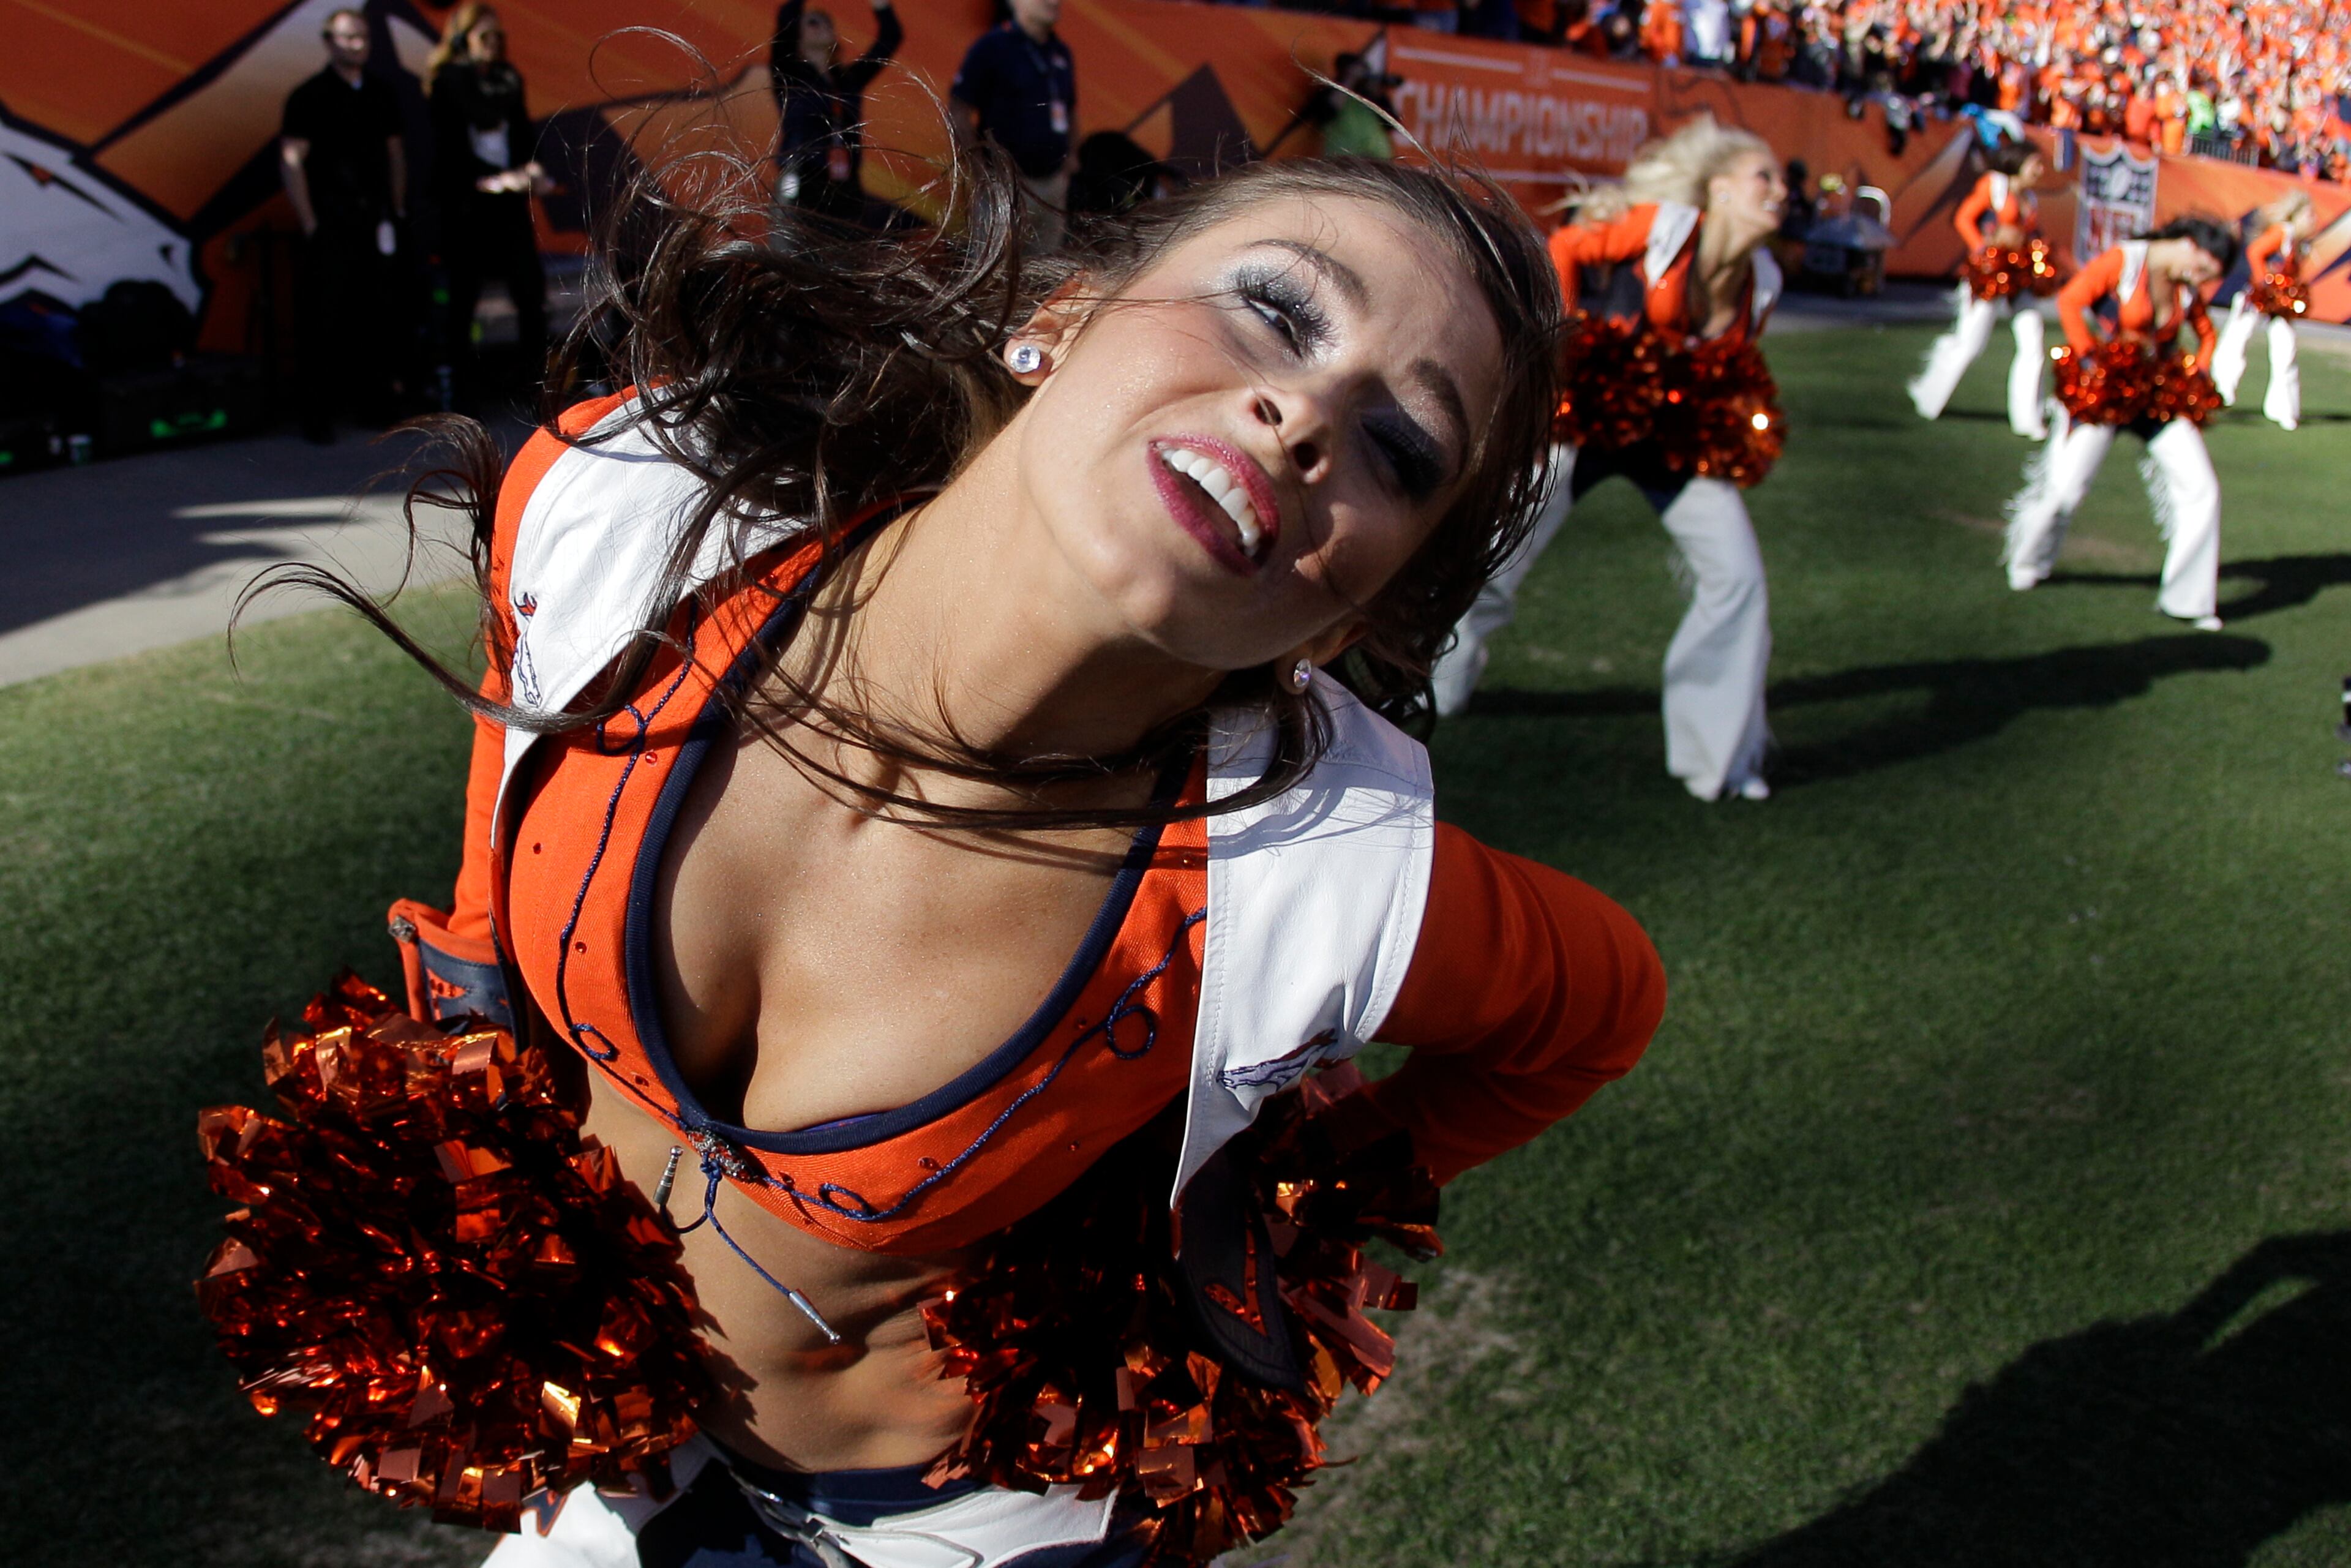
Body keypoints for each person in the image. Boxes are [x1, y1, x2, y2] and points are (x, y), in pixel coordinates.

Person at [302, 154, 1663, 1565]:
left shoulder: (1328, 871)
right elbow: (496, 833)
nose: (1308, 412)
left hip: (966, 1523)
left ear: (1349, 613)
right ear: (1061, 324)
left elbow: (1596, 1011)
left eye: (1399, 449)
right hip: (622, 1438)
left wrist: (1294, 1195)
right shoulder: (622, 508)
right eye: (1275, 307)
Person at [1432, 118, 1787, 804]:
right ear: (1719, 187)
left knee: (1739, 578)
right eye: (1763, 176)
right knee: (1495, 560)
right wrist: (1560, 344)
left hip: (1673, 437)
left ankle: (1718, 760)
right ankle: (1436, 688)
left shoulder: (1762, 281)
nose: (1780, 191)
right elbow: (1565, 244)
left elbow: (1732, 362)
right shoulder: (1666, 225)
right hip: (1585, 416)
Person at [2003, 217, 2238, 628]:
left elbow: (2206, 332)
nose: (2200, 279)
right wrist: (2092, 359)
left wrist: (2197, 373)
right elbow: (2071, 301)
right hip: (2107, 391)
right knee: (2065, 489)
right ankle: (2028, 561)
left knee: (2202, 488)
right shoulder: (2126, 261)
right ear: (2188, 244)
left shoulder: (2184, 284)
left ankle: (2189, 600)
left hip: (2156, 396)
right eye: (2202, 269)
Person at [279, 8, 407, 443]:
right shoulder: (309, 97)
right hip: (331, 221)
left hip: (373, 219)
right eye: (348, 38)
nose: (357, 45)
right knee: (324, 318)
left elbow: (395, 153)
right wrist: (310, 220)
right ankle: (319, 414)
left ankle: (376, 404)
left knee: (376, 313)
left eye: (362, 38)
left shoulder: (380, 93)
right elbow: (292, 159)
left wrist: (396, 207)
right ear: (329, 41)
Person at [426, 3, 548, 405]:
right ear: (462, 40)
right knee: (463, 301)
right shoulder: (448, 83)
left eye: (499, 38)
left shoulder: (508, 79)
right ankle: (461, 394)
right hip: (467, 208)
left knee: (530, 292)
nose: (493, 46)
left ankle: (539, 389)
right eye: (484, 38)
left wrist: (529, 172)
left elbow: (522, 134)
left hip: (509, 205)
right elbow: (446, 150)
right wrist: (487, 179)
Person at [1907, 138, 2056, 438]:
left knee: (2033, 339)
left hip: (2019, 274)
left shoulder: (2031, 199)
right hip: (1990, 273)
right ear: (2019, 162)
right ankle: (1930, 396)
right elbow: (1964, 218)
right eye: (2036, 164)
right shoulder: (1995, 185)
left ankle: (2028, 418)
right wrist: (1982, 252)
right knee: (1971, 344)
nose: (2040, 170)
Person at [951, 0, 1079, 250]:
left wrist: (1072, 155)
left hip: (1052, 185)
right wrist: (979, 168)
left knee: (1046, 276)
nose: (1053, 2)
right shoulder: (991, 48)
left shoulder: (1061, 52)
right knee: (996, 274)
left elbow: (1070, 108)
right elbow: (959, 110)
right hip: (1006, 187)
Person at [770, 0, 904, 228]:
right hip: (803, 177)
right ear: (797, 36)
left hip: (845, 184)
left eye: (828, 23)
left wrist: (881, 6)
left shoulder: (848, 79)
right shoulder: (789, 74)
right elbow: (786, 18)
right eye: (813, 22)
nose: (823, 27)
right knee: (796, 254)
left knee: (844, 254)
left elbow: (891, 38)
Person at [2210, 189, 2310, 430]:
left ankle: (2283, 408)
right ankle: (2219, 392)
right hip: (2256, 297)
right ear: (2297, 215)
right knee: (2235, 343)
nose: (2313, 220)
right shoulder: (2282, 232)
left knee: (2286, 348)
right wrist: (2265, 283)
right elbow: (2255, 252)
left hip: (2277, 304)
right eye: (2309, 214)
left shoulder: (2299, 242)